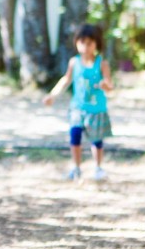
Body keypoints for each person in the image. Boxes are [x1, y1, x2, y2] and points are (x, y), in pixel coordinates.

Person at [42, 24, 114, 181]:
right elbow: (66, 80)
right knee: (74, 136)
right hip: (77, 108)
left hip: (96, 109)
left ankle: (98, 168)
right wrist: (52, 95)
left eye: (89, 43)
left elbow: (110, 85)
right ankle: (76, 168)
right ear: (76, 43)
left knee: (96, 140)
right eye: (82, 42)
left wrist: (105, 85)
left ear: (96, 44)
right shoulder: (74, 62)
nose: (85, 47)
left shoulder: (102, 64)